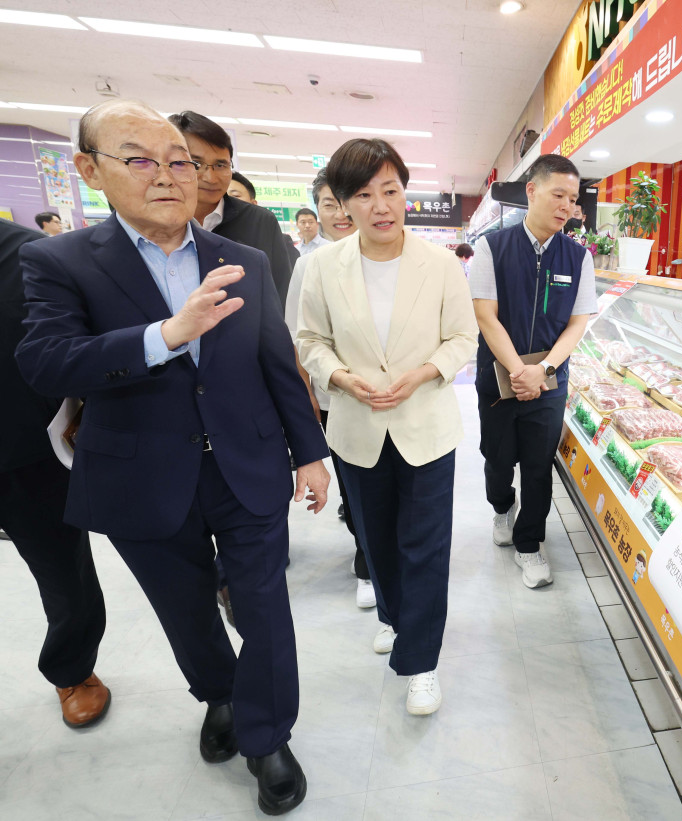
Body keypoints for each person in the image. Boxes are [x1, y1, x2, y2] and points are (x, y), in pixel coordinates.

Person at [16, 100, 330, 816]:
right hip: (139, 473)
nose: (167, 175)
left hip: (248, 462)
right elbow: (46, 360)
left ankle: (267, 736)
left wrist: (309, 453)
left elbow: (276, 361)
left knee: (263, 606)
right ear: (89, 169)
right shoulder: (59, 260)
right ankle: (220, 695)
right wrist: (164, 335)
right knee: (185, 609)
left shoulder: (244, 259)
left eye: (180, 161)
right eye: (140, 159)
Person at [297, 138, 476, 713]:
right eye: (364, 195)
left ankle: (421, 661)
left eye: (391, 191)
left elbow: (463, 338)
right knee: (375, 540)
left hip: (426, 425)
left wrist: (424, 373)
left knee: (425, 545)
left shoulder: (440, 264)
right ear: (343, 204)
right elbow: (310, 340)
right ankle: (395, 619)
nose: (380, 206)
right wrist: (341, 378)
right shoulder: (322, 266)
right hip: (357, 427)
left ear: (405, 194)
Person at [1, 217, 110, 729]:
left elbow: (81, 341)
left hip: (23, 450)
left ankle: (73, 669)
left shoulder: (28, 254)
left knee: (63, 572)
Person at [471, 153, 597, 589]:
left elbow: (578, 323)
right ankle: (502, 506)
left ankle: (530, 543)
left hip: (549, 380)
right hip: (498, 378)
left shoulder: (577, 257)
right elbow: (486, 316)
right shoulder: (492, 248)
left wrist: (542, 369)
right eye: (558, 194)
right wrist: (517, 371)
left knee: (539, 467)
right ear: (532, 190)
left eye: (573, 199)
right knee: (497, 459)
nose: (566, 206)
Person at [283, 170, 376, 615]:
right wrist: (306, 400)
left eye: (348, 199)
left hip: (392, 398)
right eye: (328, 203)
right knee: (354, 486)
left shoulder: (389, 255)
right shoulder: (310, 265)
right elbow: (298, 338)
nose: (340, 212)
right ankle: (367, 564)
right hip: (333, 400)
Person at [168, 110, 300, 303]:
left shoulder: (260, 222)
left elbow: (281, 291)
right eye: (196, 164)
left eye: (221, 165)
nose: (211, 178)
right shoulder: (158, 221)